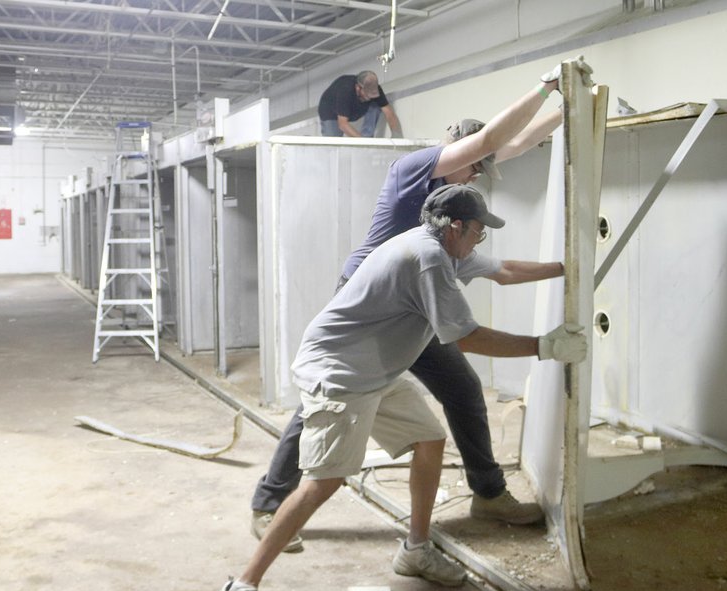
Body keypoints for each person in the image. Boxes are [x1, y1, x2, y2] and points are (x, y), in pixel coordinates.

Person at [250, 55, 594, 553]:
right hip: (369, 299)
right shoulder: (413, 169)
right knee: (327, 400)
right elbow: (494, 141)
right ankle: (269, 503)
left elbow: (508, 147)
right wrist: (545, 87)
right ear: (455, 151)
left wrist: (569, 104)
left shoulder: (454, 202)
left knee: (462, 389)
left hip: (417, 306)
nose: (477, 176)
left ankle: (488, 492)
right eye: (473, 165)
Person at [212, 184, 587, 591]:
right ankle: (241, 587)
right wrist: (544, 346)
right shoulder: (427, 258)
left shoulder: (445, 249)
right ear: (455, 227)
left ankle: (415, 550)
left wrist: (568, 267)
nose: (480, 241)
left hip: (377, 372)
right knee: (324, 483)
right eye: (478, 232)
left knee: (430, 440)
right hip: (341, 375)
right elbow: (465, 336)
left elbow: (505, 271)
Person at [318, 70, 403, 138]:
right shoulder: (345, 90)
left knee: (376, 105)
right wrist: (363, 142)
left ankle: (367, 136)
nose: (370, 97)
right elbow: (343, 124)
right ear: (358, 87)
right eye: (367, 94)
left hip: (354, 108)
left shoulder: (374, 89)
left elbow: (389, 112)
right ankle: (365, 140)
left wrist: (397, 135)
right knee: (333, 140)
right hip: (330, 112)